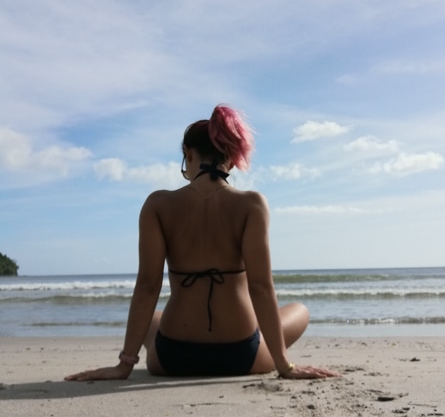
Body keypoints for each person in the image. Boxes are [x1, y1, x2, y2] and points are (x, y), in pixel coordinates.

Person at [65, 104, 338, 382]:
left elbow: (148, 286)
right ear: (232, 160)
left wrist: (124, 365)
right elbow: (260, 287)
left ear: (188, 154)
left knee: (155, 316)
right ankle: (269, 347)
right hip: (241, 355)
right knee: (300, 311)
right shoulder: (252, 204)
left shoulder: (158, 204)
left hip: (172, 358)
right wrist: (284, 366)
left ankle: (133, 357)